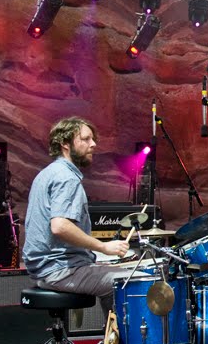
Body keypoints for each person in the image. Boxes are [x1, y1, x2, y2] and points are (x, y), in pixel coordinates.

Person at [23, 117, 131, 312]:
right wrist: (103, 247)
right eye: (86, 139)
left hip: (43, 268)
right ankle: (119, 342)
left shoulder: (48, 173)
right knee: (133, 280)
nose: (94, 144)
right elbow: (60, 226)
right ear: (65, 143)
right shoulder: (66, 178)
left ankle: (114, 338)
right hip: (59, 271)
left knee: (117, 273)